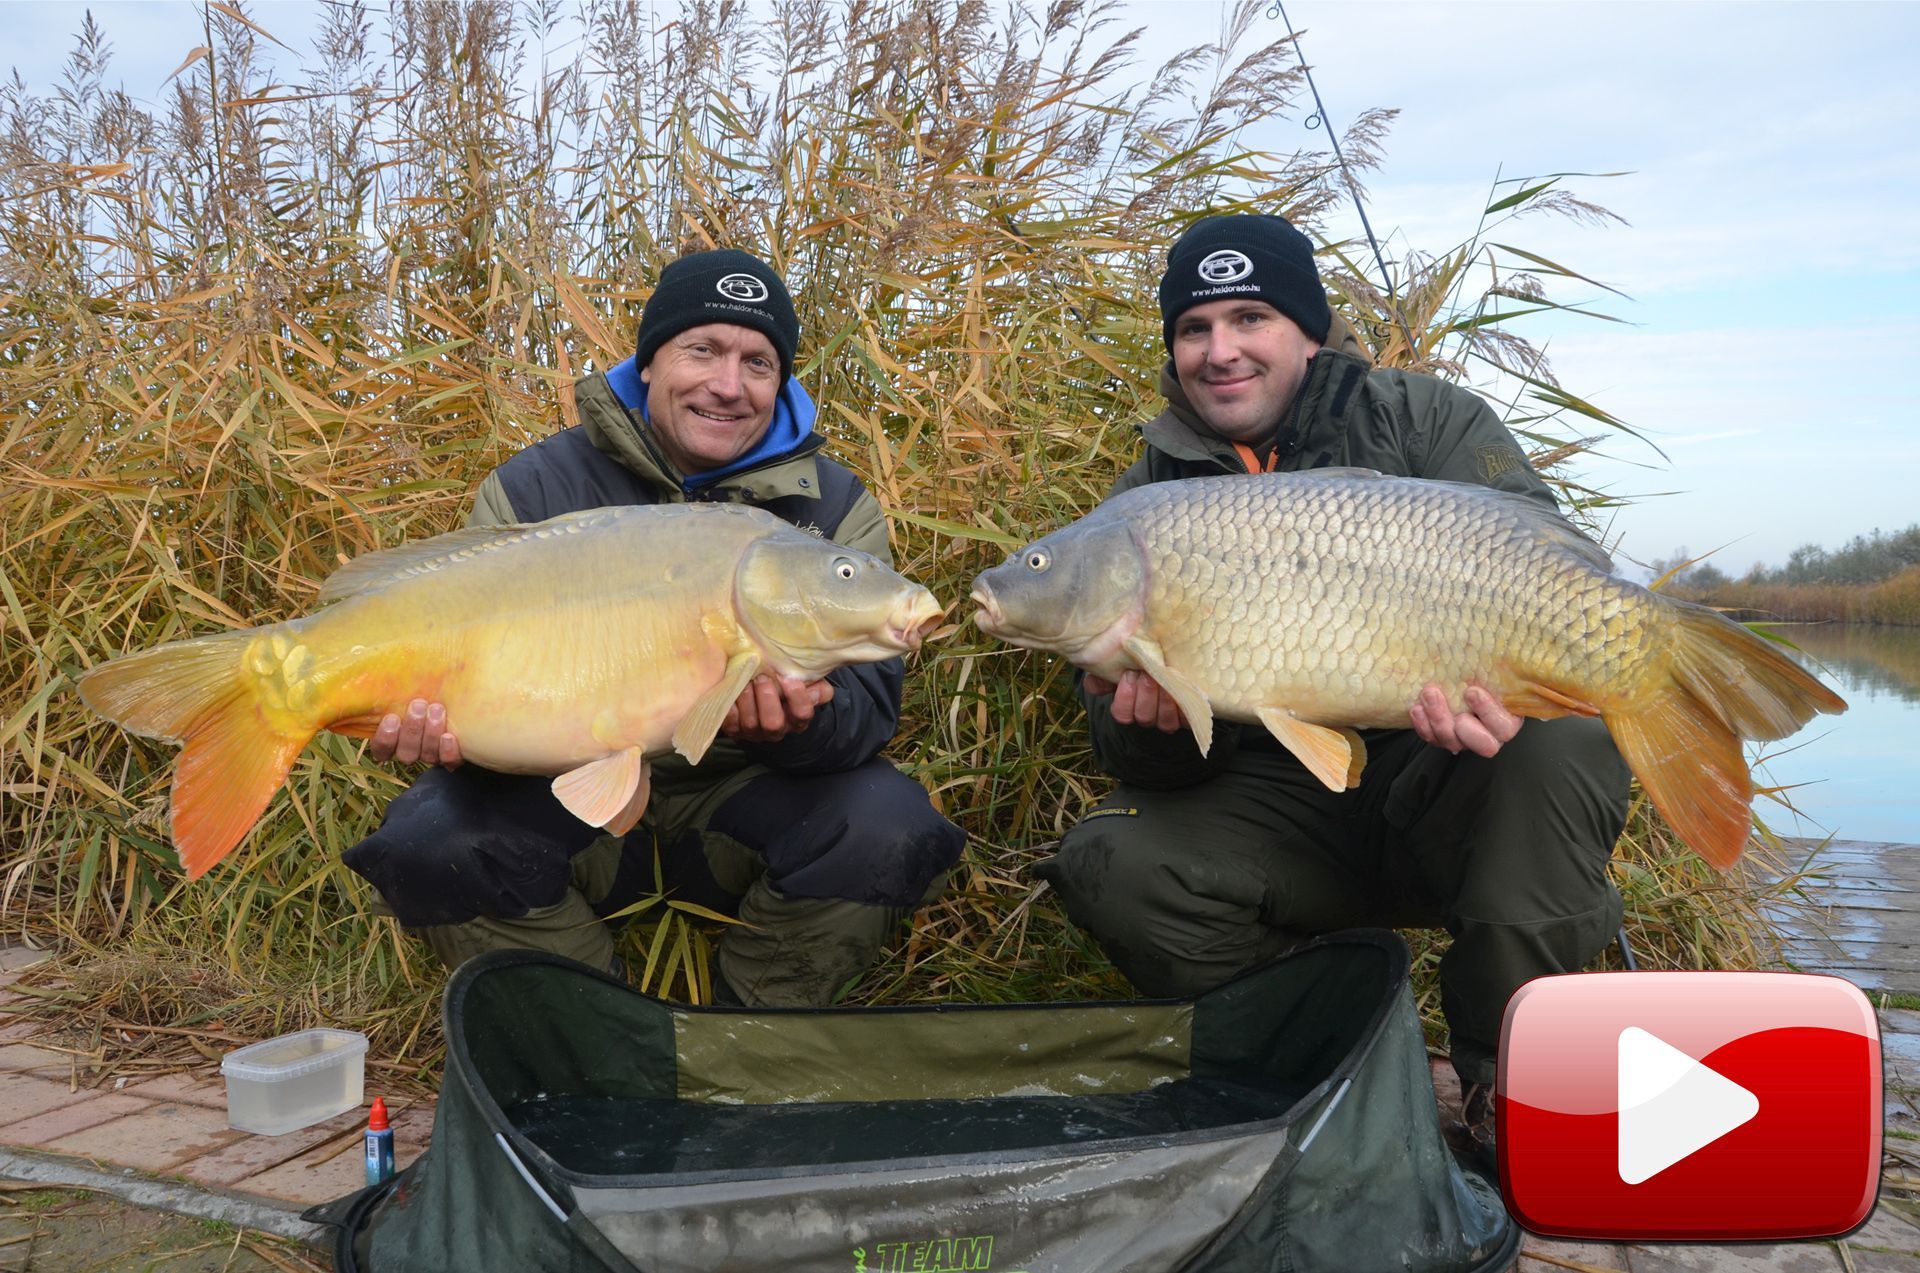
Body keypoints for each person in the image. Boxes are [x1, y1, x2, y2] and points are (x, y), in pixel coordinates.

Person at [1032, 214, 1632, 1160]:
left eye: (1251, 317)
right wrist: (1146, 723)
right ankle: (1308, 1051)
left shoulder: (1425, 420)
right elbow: (1136, 764)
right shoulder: (1145, 497)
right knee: (1117, 856)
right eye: (1194, 328)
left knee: (1569, 736)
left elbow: (1554, 576)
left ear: (1308, 330)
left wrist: (1505, 699)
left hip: (1441, 784)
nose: (1220, 350)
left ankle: (1509, 1082)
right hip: (1277, 813)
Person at [342, 248, 966, 1007]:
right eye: (702, 349)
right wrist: (438, 735)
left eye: (758, 362)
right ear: (647, 362)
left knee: (891, 824)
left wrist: (792, 731)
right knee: (427, 837)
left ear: (783, 381)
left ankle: (743, 1048)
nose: (728, 385)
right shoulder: (534, 489)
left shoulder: (831, 509)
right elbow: (487, 700)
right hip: (570, 800)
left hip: (740, 801)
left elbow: (868, 713)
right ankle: (596, 1038)